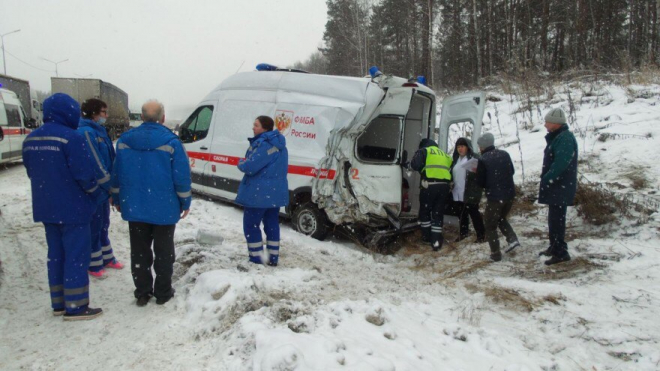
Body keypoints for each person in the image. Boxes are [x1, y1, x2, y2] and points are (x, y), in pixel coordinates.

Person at [22, 93, 103, 320]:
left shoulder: (31, 139)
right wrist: (96, 194)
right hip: (74, 210)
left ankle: (58, 303)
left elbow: (31, 172)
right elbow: (85, 175)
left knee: (55, 255)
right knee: (76, 256)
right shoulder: (72, 138)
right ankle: (76, 306)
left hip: (47, 208)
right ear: (68, 112)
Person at [110, 100, 192, 306]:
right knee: (164, 252)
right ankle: (163, 292)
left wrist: (118, 199)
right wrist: (185, 201)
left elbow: (117, 173)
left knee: (139, 251)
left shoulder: (124, 141)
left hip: (135, 205)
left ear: (142, 117)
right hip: (164, 207)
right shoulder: (172, 143)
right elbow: (181, 177)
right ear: (162, 118)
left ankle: (142, 292)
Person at [78, 98, 123, 279]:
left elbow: (109, 158)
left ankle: (106, 257)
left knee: (104, 224)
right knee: (95, 226)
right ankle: (93, 264)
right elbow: (96, 164)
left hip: (104, 190)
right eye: (103, 112)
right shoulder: (86, 132)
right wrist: (108, 184)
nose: (106, 116)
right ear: (93, 113)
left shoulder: (99, 130)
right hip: (95, 189)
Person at [236, 116, 289, 266]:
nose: (253, 128)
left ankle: (257, 259)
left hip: (258, 194)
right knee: (272, 224)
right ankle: (273, 257)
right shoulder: (281, 146)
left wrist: (241, 163)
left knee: (251, 225)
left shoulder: (264, 145)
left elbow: (250, 167)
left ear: (265, 128)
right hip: (274, 193)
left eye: (256, 125)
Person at [538, 108, 578, 265]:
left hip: (560, 186)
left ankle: (561, 252)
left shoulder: (565, 139)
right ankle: (554, 247)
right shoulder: (559, 137)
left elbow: (561, 163)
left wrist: (548, 178)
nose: (545, 125)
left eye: (547, 121)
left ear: (555, 123)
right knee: (554, 219)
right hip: (557, 187)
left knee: (557, 220)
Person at [475, 132, 521, 262]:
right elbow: (512, 171)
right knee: (500, 218)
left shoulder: (483, 159)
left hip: (495, 197)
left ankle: (495, 253)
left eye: (479, 146)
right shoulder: (505, 154)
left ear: (482, 146)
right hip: (510, 195)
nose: (479, 148)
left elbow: (480, 182)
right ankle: (512, 239)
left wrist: (478, 173)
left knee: (489, 224)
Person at [410, 138, 452, 251]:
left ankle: (426, 237)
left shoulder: (424, 151)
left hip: (429, 185)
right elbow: (451, 170)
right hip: (444, 187)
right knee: (438, 213)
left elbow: (415, 165)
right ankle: (436, 241)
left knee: (425, 211)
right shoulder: (445, 154)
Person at [449, 137, 485, 243]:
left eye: (462, 146)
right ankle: (463, 232)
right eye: (458, 147)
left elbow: (480, 175)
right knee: (461, 213)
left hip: (470, 192)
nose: (460, 149)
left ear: (467, 147)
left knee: (474, 213)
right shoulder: (455, 160)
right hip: (457, 191)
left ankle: (481, 235)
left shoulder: (474, 158)